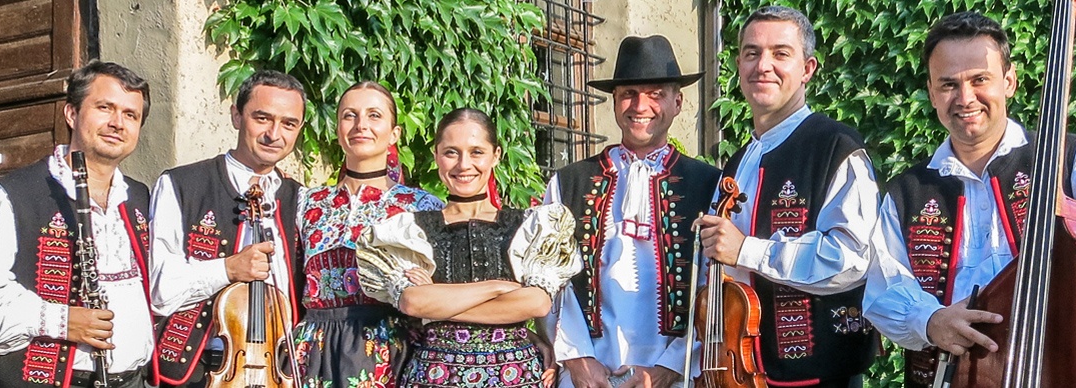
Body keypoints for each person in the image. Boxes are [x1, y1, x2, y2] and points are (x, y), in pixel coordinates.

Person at [861, 12, 1076, 387]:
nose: (965, 97)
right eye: (949, 84)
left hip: (1063, 371)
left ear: (1009, 81)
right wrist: (930, 321)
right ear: (932, 92)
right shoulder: (907, 191)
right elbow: (883, 290)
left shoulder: (1069, 159)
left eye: (979, 79)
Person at [690, 5, 883, 387]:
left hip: (818, 379)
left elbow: (851, 259)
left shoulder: (836, 147)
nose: (763, 65)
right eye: (751, 53)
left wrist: (747, 250)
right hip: (739, 375)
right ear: (739, 68)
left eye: (780, 53)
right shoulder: (736, 164)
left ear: (807, 69)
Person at [0, 61, 156, 388]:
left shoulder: (141, 198)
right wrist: (63, 320)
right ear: (71, 114)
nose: (118, 123)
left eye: (131, 115)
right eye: (105, 108)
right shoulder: (7, 198)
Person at [352, 108, 581, 388]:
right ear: (436, 155)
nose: (463, 165)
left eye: (476, 152)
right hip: (434, 377)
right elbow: (412, 302)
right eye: (451, 152)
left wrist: (435, 303)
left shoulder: (528, 227)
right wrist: (500, 289)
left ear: (495, 155)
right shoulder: (409, 231)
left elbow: (536, 302)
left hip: (515, 377)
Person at [542, 35, 719, 388]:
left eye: (656, 94)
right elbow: (550, 278)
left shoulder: (708, 184)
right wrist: (578, 360)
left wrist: (669, 368)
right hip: (586, 377)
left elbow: (713, 287)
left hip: (678, 376)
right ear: (614, 101)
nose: (641, 105)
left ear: (677, 102)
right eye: (629, 93)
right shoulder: (569, 182)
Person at [144, 70, 309, 387]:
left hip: (278, 370)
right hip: (197, 369)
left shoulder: (300, 198)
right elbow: (159, 290)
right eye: (262, 118)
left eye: (288, 124)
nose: (274, 134)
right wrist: (227, 269)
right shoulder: (181, 185)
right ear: (236, 116)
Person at [290, 81, 445, 388]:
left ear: (394, 133)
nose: (361, 125)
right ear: (337, 129)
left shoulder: (422, 206)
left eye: (374, 115)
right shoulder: (305, 201)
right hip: (313, 350)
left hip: (389, 352)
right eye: (350, 115)